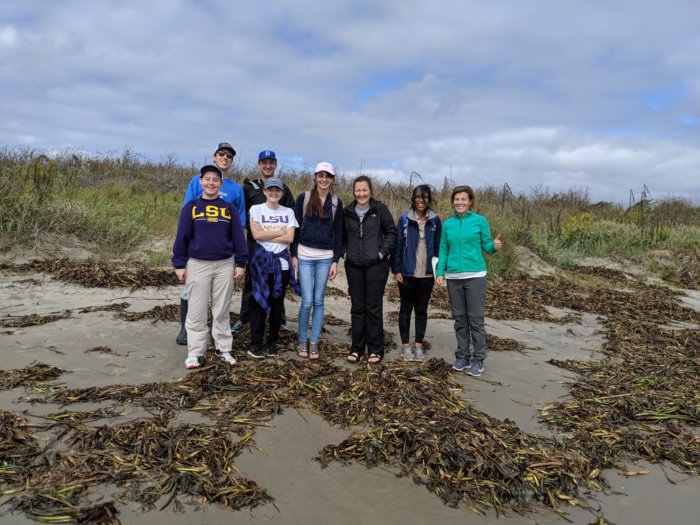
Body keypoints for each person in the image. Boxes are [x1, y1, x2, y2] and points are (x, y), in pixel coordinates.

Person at [172, 165, 248, 369]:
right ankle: (195, 352)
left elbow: (238, 238)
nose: (211, 183)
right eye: (207, 179)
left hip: (225, 264)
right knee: (196, 311)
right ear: (201, 182)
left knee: (221, 310)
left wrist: (241, 263)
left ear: (220, 184)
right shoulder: (191, 207)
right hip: (197, 264)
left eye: (215, 180)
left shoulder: (229, 208)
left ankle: (224, 348)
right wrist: (179, 264)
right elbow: (182, 237)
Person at [436, 185, 502, 377]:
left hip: (475, 277)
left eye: (463, 199)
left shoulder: (479, 221)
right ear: (453, 202)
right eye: (456, 199)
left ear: (470, 201)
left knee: (475, 320)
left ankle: (478, 359)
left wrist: (495, 246)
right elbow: (443, 249)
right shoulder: (447, 224)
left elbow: (487, 246)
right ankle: (462, 356)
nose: (460, 203)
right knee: (459, 319)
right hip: (453, 278)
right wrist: (440, 271)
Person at [231, 150, 295, 333]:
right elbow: (241, 213)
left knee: (277, 281)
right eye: (264, 162)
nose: (268, 166)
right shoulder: (249, 187)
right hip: (254, 244)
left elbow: (290, 215)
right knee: (251, 281)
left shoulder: (282, 187)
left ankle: (279, 318)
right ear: (259, 165)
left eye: (271, 162)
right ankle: (244, 318)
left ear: (275, 165)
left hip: (278, 247)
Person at [291, 162, 344, 360]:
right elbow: (294, 227)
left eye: (327, 176)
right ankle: (302, 341)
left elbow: (339, 233)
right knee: (306, 301)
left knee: (319, 301)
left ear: (332, 179)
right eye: (320, 175)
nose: (323, 179)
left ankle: (314, 343)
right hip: (304, 255)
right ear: (315, 177)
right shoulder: (303, 198)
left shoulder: (337, 203)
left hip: (326, 257)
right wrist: (294, 254)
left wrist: (335, 261)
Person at [342, 175, 396, 364]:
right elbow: (340, 236)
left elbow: (391, 232)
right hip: (353, 266)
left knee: (373, 308)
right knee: (357, 308)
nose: (361, 193)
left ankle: (375, 350)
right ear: (354, 191)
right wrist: (344, 253)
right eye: (358, 190)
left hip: (376, 266)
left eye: (365, 190)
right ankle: (357, 348)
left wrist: (381, 253)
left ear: (370, 191)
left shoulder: (380, 209)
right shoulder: (347, 211)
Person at [247, 177, 299, 359]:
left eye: (277, 190)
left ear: (282, 193)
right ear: (265, 191)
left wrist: (266, 233)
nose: (274, 193)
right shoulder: (256, 209)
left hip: (282, 264)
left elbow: (290, 238)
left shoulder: (289, 212)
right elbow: (256, 235)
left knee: (277, 304)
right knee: (258, 302)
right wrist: (280, 231)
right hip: (261, 262)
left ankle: (272, 343)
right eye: (271, 190)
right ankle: (255, 344)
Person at [391, 185, 442, 362]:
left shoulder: (435, 220)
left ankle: (418, 345)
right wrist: (396, 269)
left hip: (427, 274)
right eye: (418, 198)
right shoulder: (405, 219)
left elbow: (438, 248)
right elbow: (397, 246)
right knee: (405, 309)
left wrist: (439, 271)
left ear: (429, 200)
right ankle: (406, 346)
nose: (421, 201)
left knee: (421, 310)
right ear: (413, 199)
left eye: (425, 198)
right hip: (407, 273)